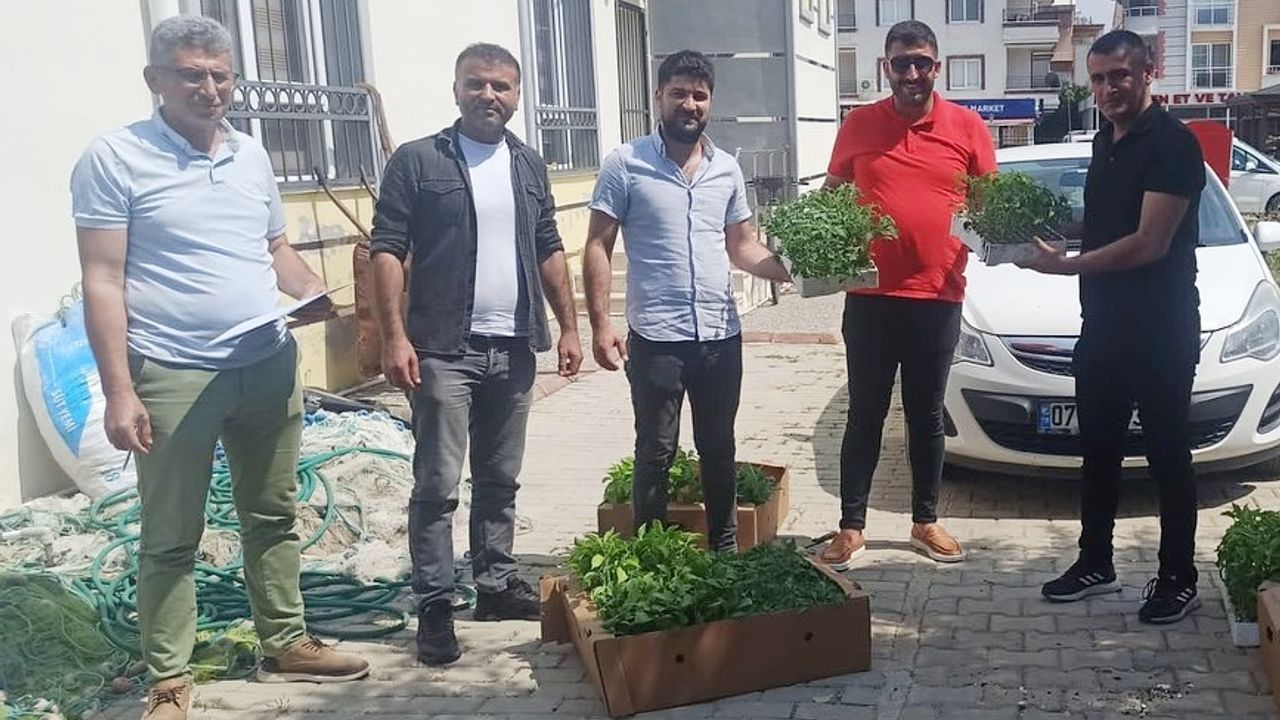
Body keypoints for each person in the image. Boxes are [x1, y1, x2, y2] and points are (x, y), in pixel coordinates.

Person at [70, 15, 369, 720]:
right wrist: (119, 390)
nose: (209, 89)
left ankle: (285, 643)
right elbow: (102, 280)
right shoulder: (115, 158)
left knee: (273, 514)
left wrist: (309, 290)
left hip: (266, 363)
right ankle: (169, 680)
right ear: (155, 80)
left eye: (220, 75)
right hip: (173, 374)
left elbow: (273, 248)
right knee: (171, 533)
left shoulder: (250, 154)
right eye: (191, 75)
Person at [369, 43, 582, 666]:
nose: (489, 95)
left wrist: (570, 328)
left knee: (499, 478)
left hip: (513, 347)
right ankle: (436, 604)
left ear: (516, 95)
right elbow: (387, 249)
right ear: (457, 89)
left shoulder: (527, 163)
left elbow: (548, 247)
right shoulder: (418, 161)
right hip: (441, 349)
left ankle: (494, 585)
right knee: (437, 484)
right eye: (476, 84)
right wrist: (393, 337)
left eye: (501, 86)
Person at [1019, 30, 1206, 624]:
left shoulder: (1173, 145)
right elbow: (1103, 223)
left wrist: (1066, 267)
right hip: (1101, 328)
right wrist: (1034, 237)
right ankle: (1095, 562)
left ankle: (1178, 577)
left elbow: (1149, 243)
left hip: (1161, 332)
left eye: (1119, 76)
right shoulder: (1105, 140)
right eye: (1098, 79)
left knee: (1168, 456)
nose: (1107, 89)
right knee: (1097, 451)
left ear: (1148, 72)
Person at [583, 50, 791, 553]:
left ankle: (725, 551)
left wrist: (797, 269)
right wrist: (600, 325)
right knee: (655, 450)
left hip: (720, 336)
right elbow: (597, 246)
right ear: (659, 96)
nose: (689, 104)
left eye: (699, 95)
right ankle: (652, 553)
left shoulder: (727, 169)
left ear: (710, 102)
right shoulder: (626, 163)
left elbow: (742, 246)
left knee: (718, 446)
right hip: (656, 338)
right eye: (678, 93)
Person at [819, 20, 997, 570]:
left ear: (936, 67)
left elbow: (989, 205)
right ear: (886, 68)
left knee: (926, 415)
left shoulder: (967, 126)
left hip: (938, 296)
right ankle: (851, 527)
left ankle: (925, 521)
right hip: (870, 296)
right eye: (901, 63)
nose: (912, 73)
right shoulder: (859, 125)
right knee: (865, 414)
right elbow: (832, 196)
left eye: (921, 62)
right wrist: (814, 246)